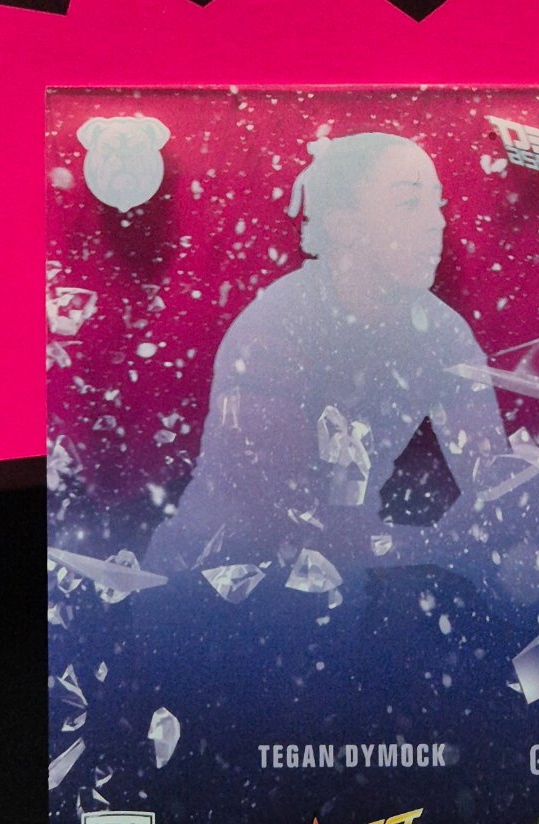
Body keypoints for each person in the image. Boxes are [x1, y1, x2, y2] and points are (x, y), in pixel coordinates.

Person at [144, 132, 512, 600]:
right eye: (409, 204)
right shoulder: (273, 330)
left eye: (436, 204)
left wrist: (532, 516)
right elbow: (290, 525)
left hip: (331, 596)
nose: (436, 223)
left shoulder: (443, 333)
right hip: (207, 592)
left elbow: (493, 479)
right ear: (342, 224)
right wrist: (448, 546)